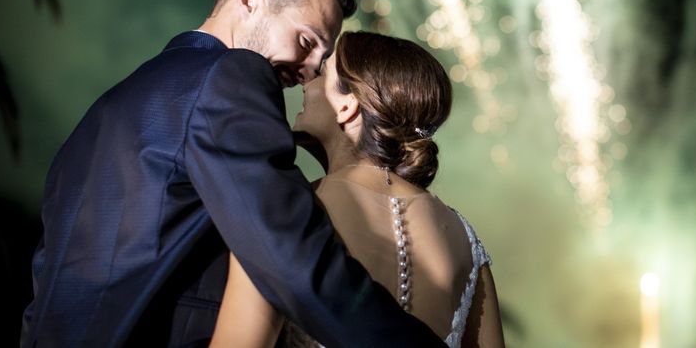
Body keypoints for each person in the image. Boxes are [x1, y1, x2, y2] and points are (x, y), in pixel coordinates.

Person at [21, 0, 444, 347]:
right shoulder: (231, 76)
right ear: (249, 1)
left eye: (321, 59)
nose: (309, 73)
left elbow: (50, 279)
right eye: (306, 41)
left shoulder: (105, 111)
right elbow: (295, 261)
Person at [210, 31, 505, 348]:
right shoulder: (462, 238)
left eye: (321, 74)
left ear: (348, 105)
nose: (306, 84)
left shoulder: (286, 212)